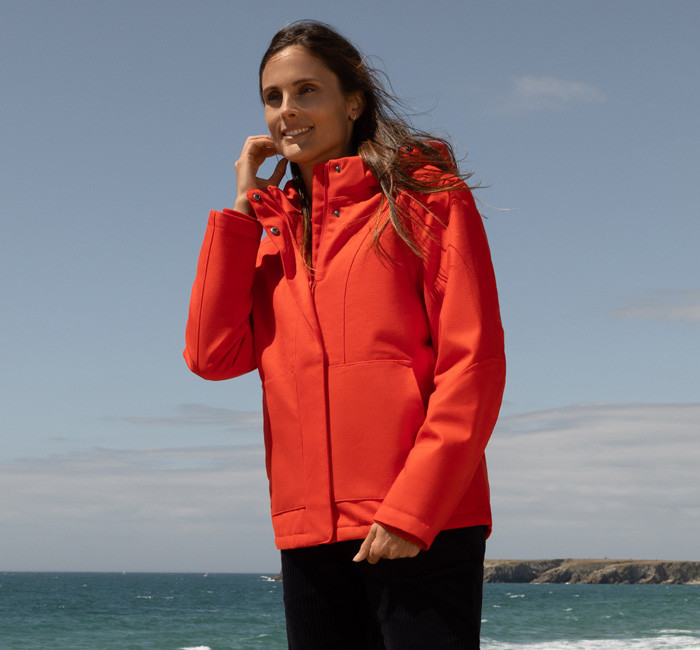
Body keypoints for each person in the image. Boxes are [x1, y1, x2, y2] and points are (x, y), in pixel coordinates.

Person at [184, 20, 505, 649]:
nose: (286, 110)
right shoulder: (271, 230)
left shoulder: (427, 199)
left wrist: (413, 511)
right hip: (310, 536)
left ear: (353, 102)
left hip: (421, 526)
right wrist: (242, 214)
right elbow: (211, 355)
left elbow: (474, 364)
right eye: (273, 97)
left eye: (306, 90)